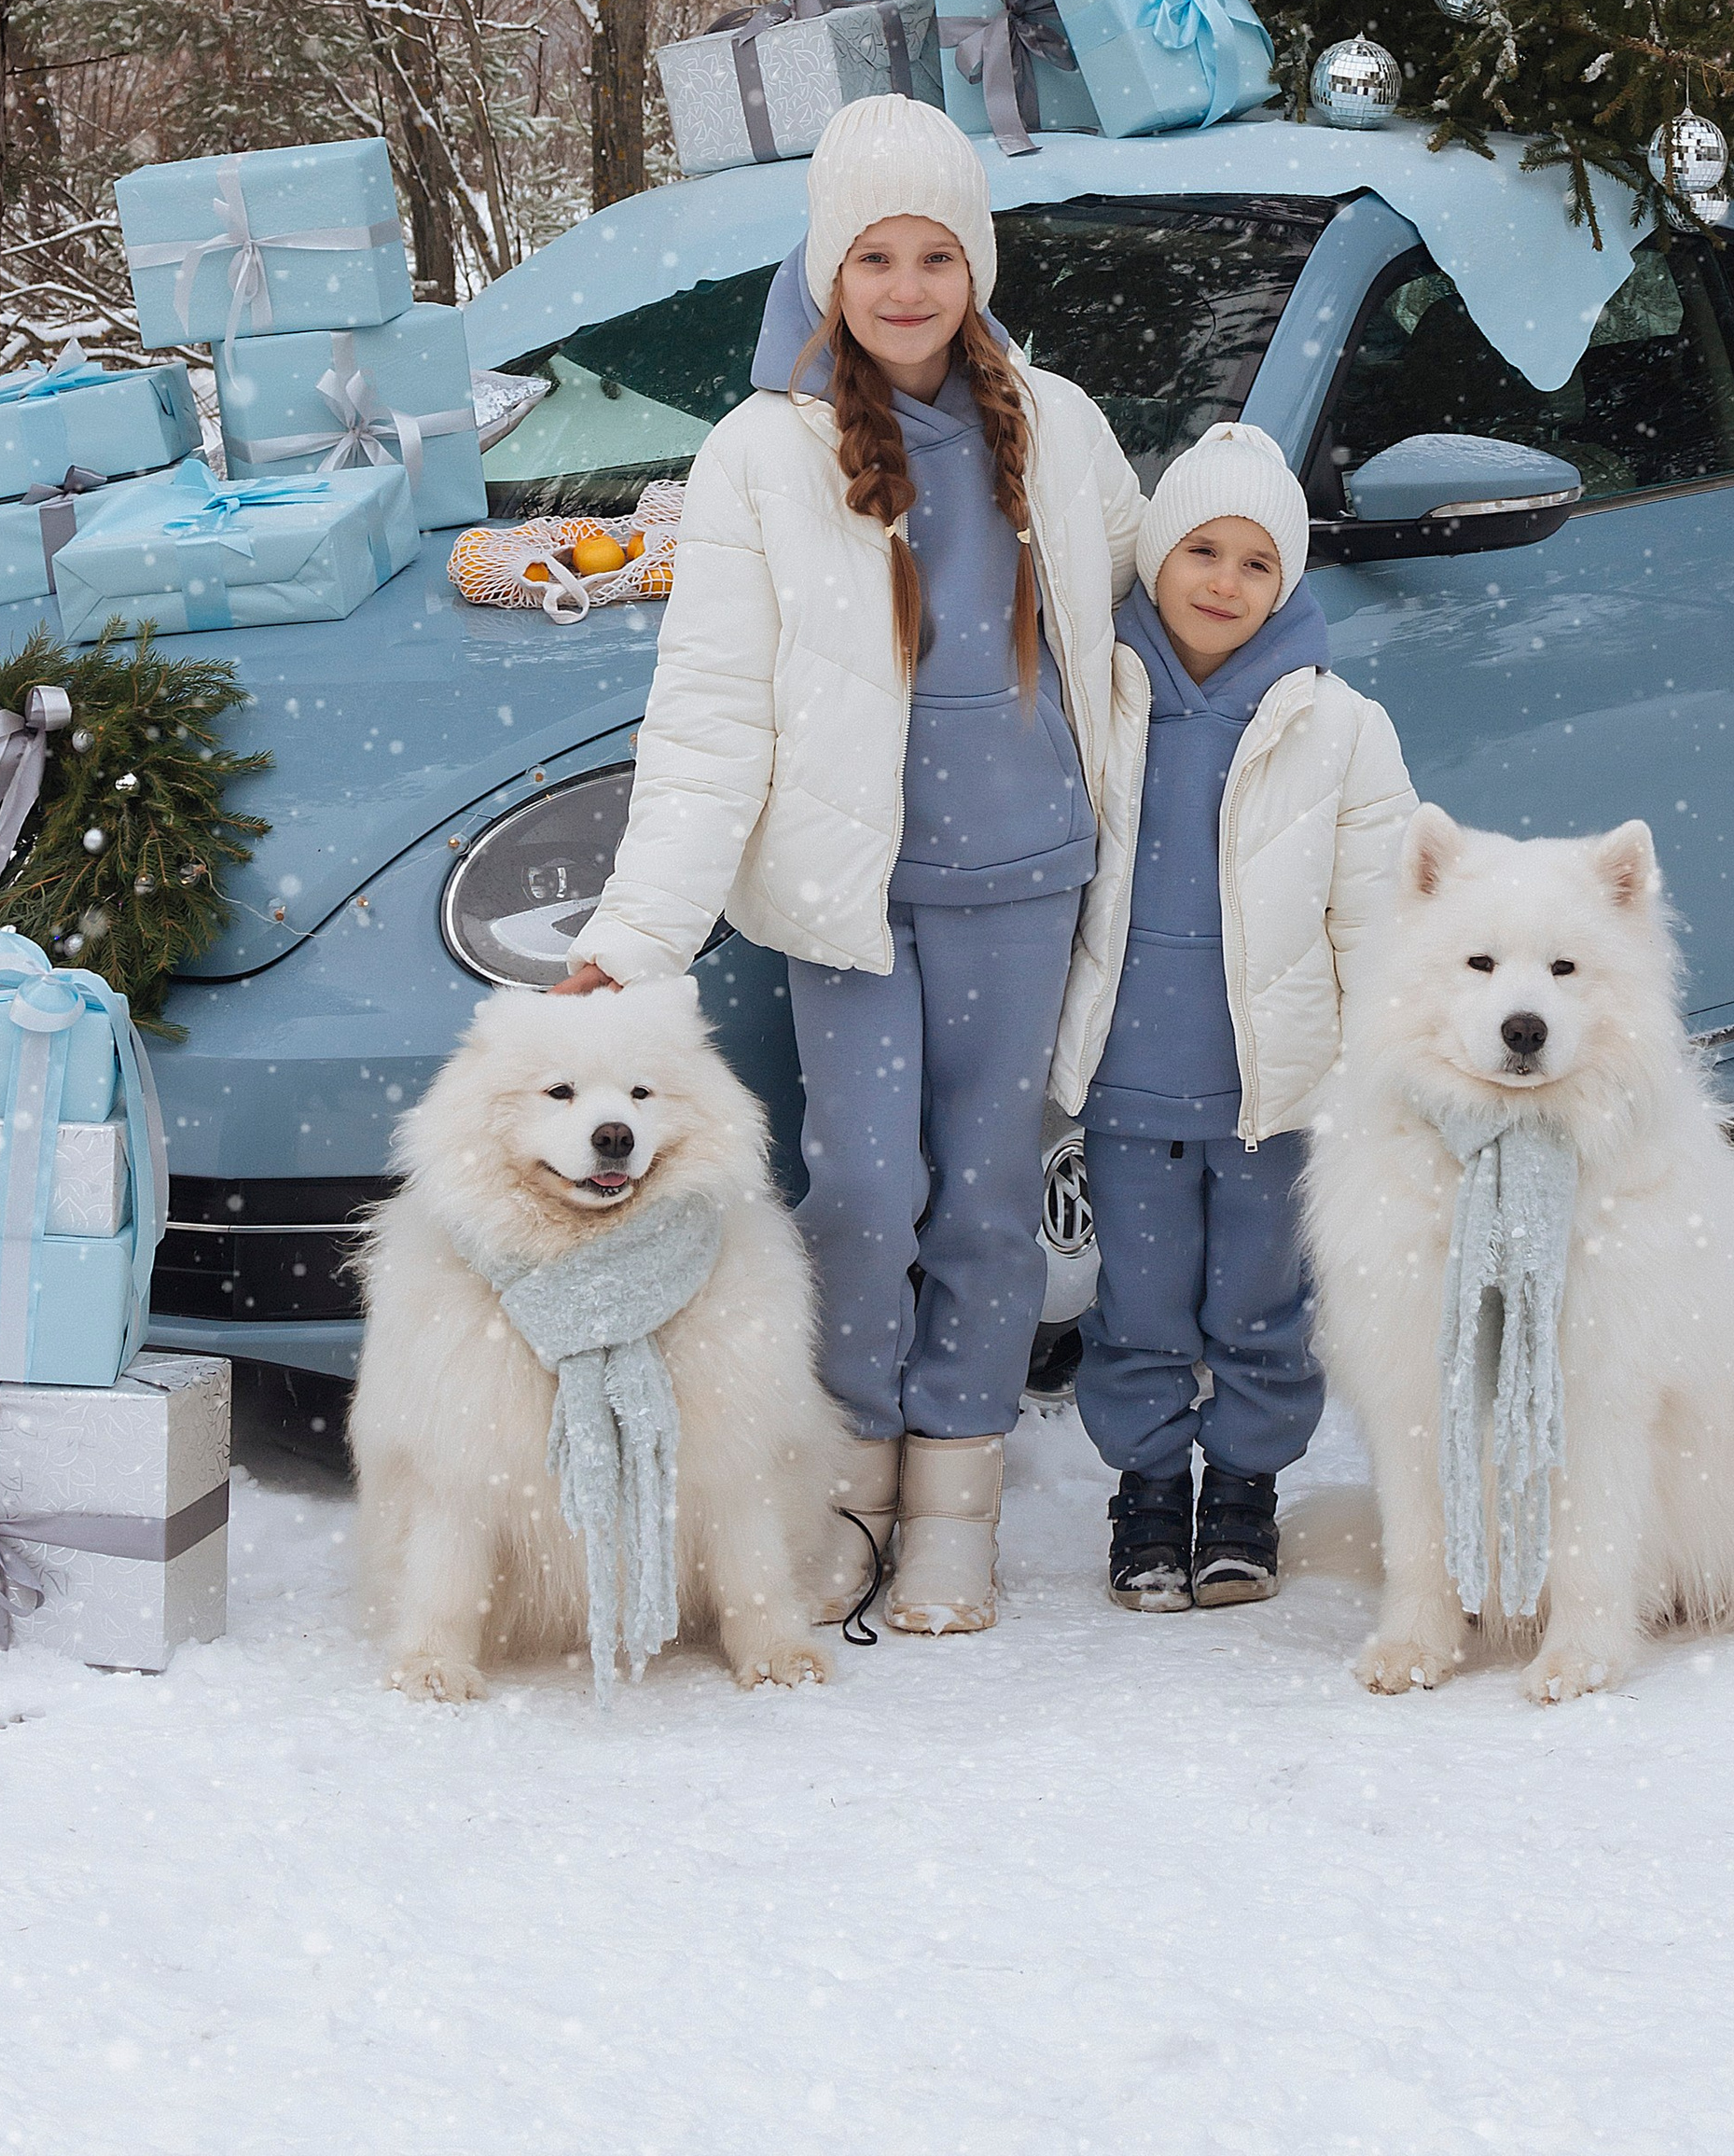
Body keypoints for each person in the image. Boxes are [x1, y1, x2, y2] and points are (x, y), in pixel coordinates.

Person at [553, 93, 1140, 1635]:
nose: (903, 287)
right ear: (827, 272)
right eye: (871, 256)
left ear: (977, 267)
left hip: (1024, 872)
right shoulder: (763, 453)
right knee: (868, 1190)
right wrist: (639, 934)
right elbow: (708, 717)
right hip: (854, 896)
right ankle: (845, 1480)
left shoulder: (1058, 428)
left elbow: (1137, 602)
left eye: (935, 255)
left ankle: (957, 1499)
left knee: (992, 1196)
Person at [1050, 424, 1413, 1610]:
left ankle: (1245, 1488)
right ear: (1154, 556)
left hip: (1279, 1087)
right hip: (1128, 1078)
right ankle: (1150, 1488)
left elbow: (1376, 917)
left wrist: (1380, 1069)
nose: (1224, 581)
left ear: (1290, 581)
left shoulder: (1342, 727)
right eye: (1200, 549)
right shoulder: (1095, 696)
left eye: (1257, 563)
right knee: (1141, 1299)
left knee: (1261, 1300)